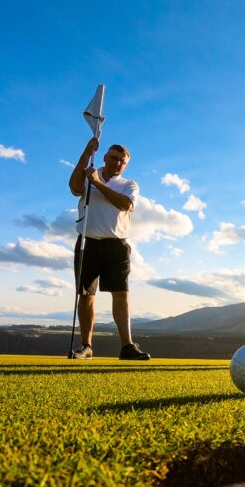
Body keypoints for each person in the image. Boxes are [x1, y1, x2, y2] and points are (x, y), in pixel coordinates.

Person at [67, 137, 150, 361]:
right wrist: (86, 153)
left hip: (116, 244)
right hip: (88, 241)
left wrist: (98, 184)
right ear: (104, 157)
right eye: (113, 158)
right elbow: (75, 188)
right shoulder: (87, 174)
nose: (117, 164)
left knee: (121, 294)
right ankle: (86, 347)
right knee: (86, 295)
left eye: (122, 161)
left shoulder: (129, 184)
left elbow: (126, 205)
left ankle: (127, 346)